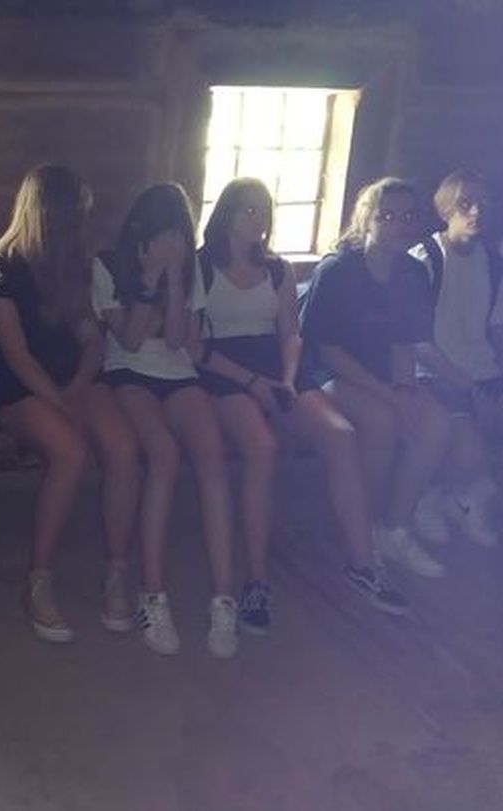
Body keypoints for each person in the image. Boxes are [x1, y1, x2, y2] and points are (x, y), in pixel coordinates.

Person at [194, 178, 408, 632]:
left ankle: (362, 561)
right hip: (225, 370)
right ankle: (257, 581)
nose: (259, 218)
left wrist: (288, 379)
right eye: (249, 209)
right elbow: (195, 347)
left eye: (264, 209)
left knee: (340, 435)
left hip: (277, 366)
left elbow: (291, 333)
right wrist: (252, 382)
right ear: (227, 214)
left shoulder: (278, 269)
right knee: (262, 447)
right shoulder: (202, 265)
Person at [0, 165, 139, 643]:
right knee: (71, 453)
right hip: (21, 388)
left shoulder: (74, 264)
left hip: (73, 380)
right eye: (71, 216)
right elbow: (17, 355)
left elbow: (92, 338)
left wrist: (77, 387)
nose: (77, 226)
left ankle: (117, 570)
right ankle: (39, 579)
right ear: (44, 214)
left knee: (123, 449)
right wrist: (60, 402)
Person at [92, 183, 238, 658]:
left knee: (212, 456)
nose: (172, 242)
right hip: (127, 372)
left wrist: (175, 277)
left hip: (177, 373)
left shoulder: (189, 268)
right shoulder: (108, 265)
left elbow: (177, 340)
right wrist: (150, 277)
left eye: (179, 234)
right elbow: (131, 340)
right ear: (141, 230)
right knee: (164, 455)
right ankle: (152, 595)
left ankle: (223, 597)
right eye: (163, 233)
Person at [300, 177, 451, 578]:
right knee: (381, 422)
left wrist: (404, 389)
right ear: (366, 219)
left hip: (386, 374)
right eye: (387, 216)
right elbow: (326, 349)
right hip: (330, 371)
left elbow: (405, 340)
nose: (398, 225)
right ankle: (361, 529)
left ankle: (394, 526)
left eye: (407, 216)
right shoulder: (337, 271)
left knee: (435, 422)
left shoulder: (412, 273)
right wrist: (388, 395)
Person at [408, 170, 502, 547]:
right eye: (465, 204)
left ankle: (468, 496)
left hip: (482, 370)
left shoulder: (493, 263)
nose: (476, 212)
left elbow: (496, 328)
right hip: (434, 373)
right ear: (446, 209)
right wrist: (469, 387)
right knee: (469, 450)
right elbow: (418, 342)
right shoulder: (425, 258)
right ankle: (430, 498)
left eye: (482, 203)